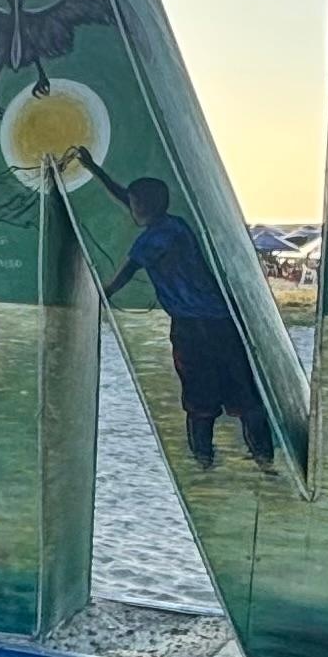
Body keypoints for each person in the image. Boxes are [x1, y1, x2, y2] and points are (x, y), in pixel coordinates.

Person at [63, 148, 274, 471]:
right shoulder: (176, 225)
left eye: (134, 204)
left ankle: (203, 463)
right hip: (223, 322)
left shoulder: (150, 241)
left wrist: (93, 298)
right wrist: (94, 168)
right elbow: (128, 198)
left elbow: (123, 276)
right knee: (244, 395)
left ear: (143, 208)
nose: (130, 207)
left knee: (199, 401)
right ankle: (264, 461)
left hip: (193, 328)